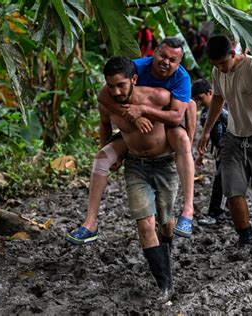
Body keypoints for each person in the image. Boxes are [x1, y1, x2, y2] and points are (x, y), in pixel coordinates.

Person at [67, 38, 196, 244]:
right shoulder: (133, 68)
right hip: (131, 136)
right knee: (102, 158)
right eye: (162, 56)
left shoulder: (179, 81)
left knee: (182, 137)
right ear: (154, 53)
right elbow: (104, 98)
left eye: (173, 60)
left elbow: (178, 115)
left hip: (165, 129)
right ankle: (90, 222)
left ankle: (188, 210)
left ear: (179, 63)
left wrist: (143, 110)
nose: (166, 62)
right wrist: (133, 116)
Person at [97, 56, 177, 299]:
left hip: (164, 164)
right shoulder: (106, 103)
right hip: (135, 165)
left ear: (133, 79)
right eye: (111, 86)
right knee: (144, 223)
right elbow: (105, 125)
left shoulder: (158, 97)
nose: (116, 91)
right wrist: (112, 152)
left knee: (165, 221)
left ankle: (167, 245)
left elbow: (183, 113)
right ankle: (164, 284)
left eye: (121, 85)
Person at [198, 35, 252, 246]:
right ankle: (245, 236)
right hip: (234, 138)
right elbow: (217, 100)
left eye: (223, 63)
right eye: (215, 64)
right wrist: (206, 131)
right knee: (232, 191)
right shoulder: (218, 71)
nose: (220, 68)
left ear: (232, 54)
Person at [192, 79, 228, 225]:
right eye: (197, 100)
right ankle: (225, 209)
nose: (199, 102)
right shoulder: (205, 114)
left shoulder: (224, 108)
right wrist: (201, 155)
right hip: (219, 150)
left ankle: (216, 212)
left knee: (221, 181)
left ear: (210, 93)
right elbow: (206, 137)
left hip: (231, 149)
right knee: (224, 180)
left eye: (201, 98)